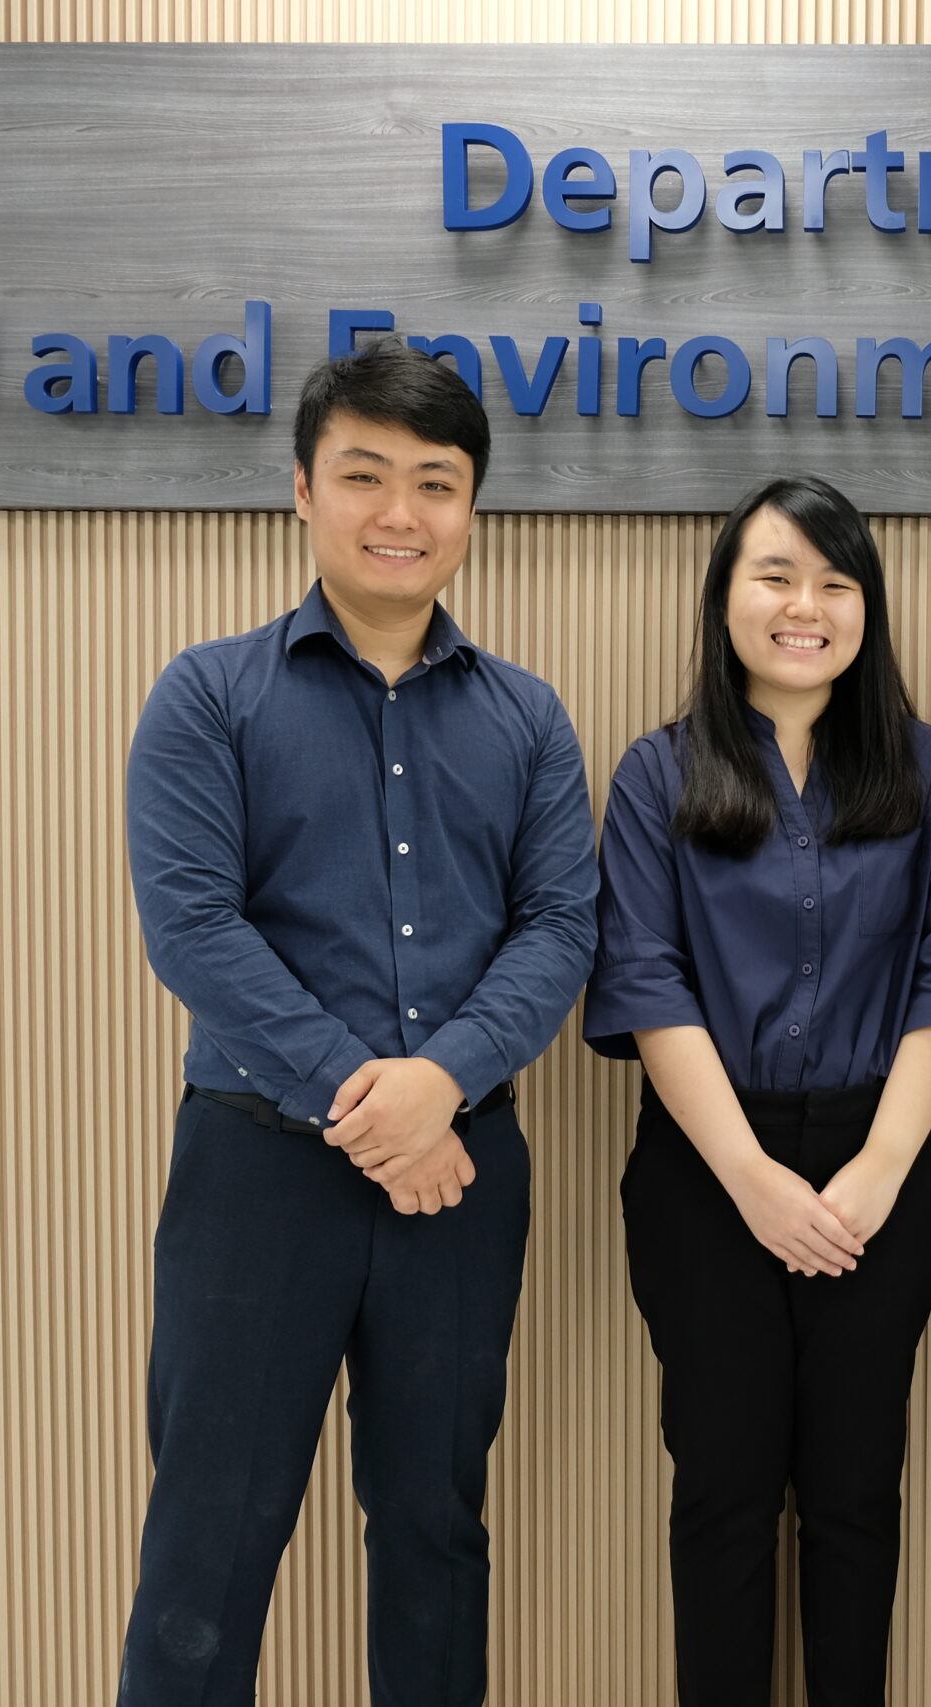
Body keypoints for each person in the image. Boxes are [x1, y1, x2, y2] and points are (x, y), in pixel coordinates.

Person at [116, 337, 597, 1707]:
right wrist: (373, 1102)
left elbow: (563, 926)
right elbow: (194, 927)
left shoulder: (527, 719)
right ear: (303, 490)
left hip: (464, 1172)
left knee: (437, 1528)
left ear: (472, 508)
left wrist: (440, 1083)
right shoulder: (209, 696)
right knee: (211, 1537)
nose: (401, 511)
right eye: (366, 474)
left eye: (435, 481)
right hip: (258, 1170)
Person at [584, 475, 931, 1707]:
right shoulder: (655, 775)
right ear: (725, 598)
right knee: (719, 1491)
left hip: (885, 1166)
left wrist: (877, 1172)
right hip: (703, 1173)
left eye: (835, 583)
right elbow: (647, 984)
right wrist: (753, 1182)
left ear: (867, 610)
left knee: (853, 1495)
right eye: (775, 576)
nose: (805, 607)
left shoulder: (925, 770)